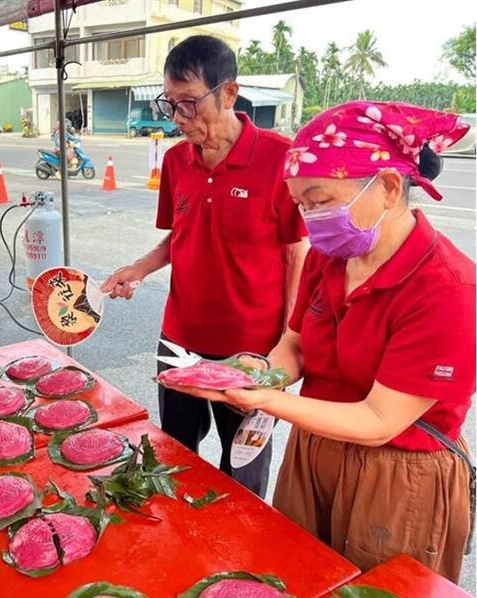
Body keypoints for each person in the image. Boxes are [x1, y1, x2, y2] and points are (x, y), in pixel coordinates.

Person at [162, 101, 474, 582]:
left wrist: (263, 397)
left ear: (389, 187)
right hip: (314, 451)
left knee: (374, 586)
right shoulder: (329, 258)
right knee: (297, 574)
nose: (308, 217)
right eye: (300, 203)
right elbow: (296, 343)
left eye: (320, 199)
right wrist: (261, 371)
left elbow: (378, 421)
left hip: (397, 474)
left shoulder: (449, 289)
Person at [101, 35, 308, 497]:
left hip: (252, 349)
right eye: (171, 103)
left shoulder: (280, 158)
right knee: (175, 458)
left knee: (244, 472)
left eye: (190, 103)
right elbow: (182, 235)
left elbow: (297, 254)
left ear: (229, 93)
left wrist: (287, 342)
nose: (179, 118)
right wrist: (137, 267)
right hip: (179, 340)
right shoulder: (177, 161)